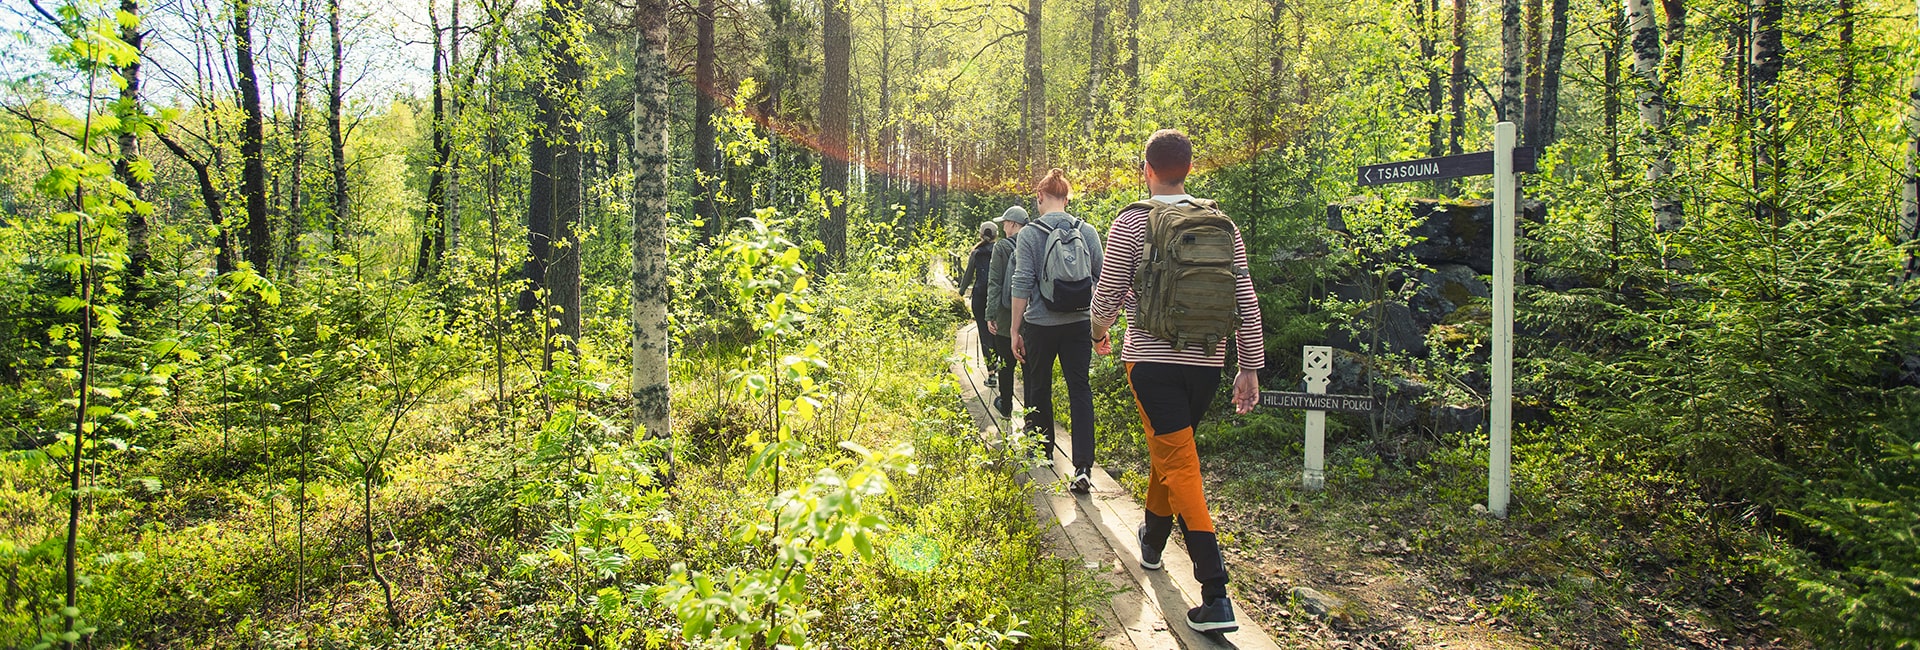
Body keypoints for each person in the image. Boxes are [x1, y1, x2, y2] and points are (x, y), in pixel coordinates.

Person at [1090, 129, 1263, 634]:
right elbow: (1244, 298)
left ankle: (1215, 594)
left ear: (1147, 169)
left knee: (1180, 463)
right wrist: (1248, 367)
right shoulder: (1221, 223)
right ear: (1189, 169)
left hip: (1150, 362)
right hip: (1206, 365)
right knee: (1172, 452)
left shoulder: (1132, 219)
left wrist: (1099, 333)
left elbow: (1108, 293)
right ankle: (1151, 542)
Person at [1010, 168, 1103, 494]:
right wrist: (1100, 326)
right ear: (1067, 198)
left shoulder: (1029, 235)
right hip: (1079, 323)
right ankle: (1083, 466)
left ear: (1040, 197)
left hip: (1040, 324)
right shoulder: (1087, 231)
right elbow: (1102, 281)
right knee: (1080, 390)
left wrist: (1014, 330)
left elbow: (1021, 283)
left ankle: (1042, 453)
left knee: (1039, 386)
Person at [985, 207, 1026, 416]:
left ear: (1013, 224)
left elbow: (995, 283)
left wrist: (990, 315)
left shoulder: (1001, 247)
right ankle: (1032, 416)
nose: (1003, 227)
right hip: (1030, 317)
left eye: (1005, 223)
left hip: (1005, 315)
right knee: (1029, 368)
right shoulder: (1035, 242)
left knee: (1006, 364)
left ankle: (1007, 405)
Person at [958, 221, 1000, 386]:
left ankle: (991, 374)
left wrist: (961, 292)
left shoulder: (976, 253)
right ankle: (1001, 368)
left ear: (981, 235)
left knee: (984, 333)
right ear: (996, 234)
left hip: (980, 297)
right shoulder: (1000, 250)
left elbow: (968, 275)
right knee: (998, 332)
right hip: (996, 297)